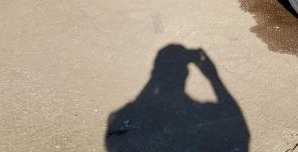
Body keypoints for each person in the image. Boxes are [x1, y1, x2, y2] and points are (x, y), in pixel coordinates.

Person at [106, 44, 249, 151]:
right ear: (186, 74)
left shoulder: (134, 118)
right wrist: (213, 78)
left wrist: (153, 80)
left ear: (157, 75)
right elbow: (239, 129)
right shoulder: (202, 115)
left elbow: (121, 130)